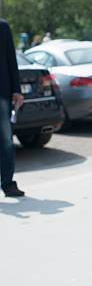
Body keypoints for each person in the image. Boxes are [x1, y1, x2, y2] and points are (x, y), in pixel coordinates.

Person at [0, 19, 25, 196]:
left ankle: (8, 184)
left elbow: (11, 59)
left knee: (6, 141)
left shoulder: (3, 27)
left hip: (2, 94)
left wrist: (17, 89)